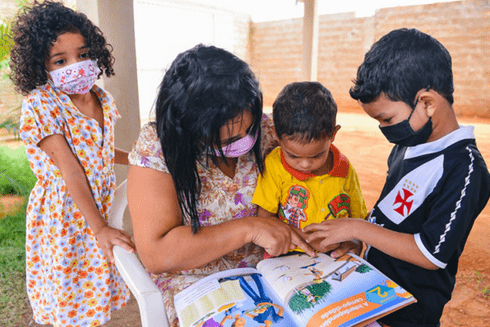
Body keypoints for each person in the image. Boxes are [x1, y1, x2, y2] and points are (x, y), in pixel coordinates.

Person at [127, 44, 335, 327]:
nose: (241, 143)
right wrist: (250, 228)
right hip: (198, 282)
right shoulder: (159, 147)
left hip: (277, 269)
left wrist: (335, 233)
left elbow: (322, 185)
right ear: (188, 129)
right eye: (222, 141)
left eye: (248, 130)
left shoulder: (272, 132)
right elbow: (157, 254)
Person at [303, 28, 490, 326]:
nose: (384, 129)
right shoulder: (408, 145)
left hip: (411, 311)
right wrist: (357, 240)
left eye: (387, 119)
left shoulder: (465, 169)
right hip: (373, 295)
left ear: (427, 102)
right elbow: (389, 218)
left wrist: (358, 227)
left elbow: (431, 254)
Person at [11, 1, 135, 326]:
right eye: (60, 60)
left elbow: (100, 150)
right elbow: (71, 169)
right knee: (70, 292)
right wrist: (100, 228)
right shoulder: (41, 104)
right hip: (66, 215)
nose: (75, 65)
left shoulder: (101, 98)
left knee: (94, 287)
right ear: (41, 66)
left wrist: (137, 160)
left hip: (98, 207)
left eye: (82, 54)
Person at [252, 82, 367, 257]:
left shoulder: (344, 169)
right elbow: (264, 217)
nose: (305, 164)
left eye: (316, 156)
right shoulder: (275, 165)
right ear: (277, 135)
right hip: (286, 257)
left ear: (333, 134)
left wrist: (353, 243)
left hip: (334, 256)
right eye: (293, 156)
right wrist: (306, 238)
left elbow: (358, 218)